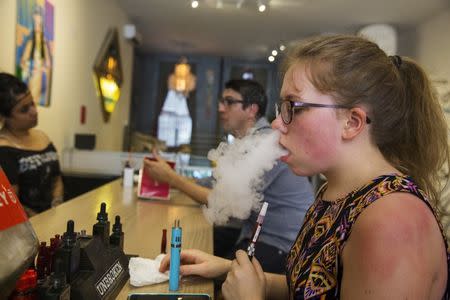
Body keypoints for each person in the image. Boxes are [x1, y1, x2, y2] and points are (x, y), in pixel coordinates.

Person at [159, 35, 450, 299]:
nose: (276, 123)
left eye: (293, 106)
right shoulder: (333, 193)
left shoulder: (392, 221)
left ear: (352, 122)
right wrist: (227, 269)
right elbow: (307, 289)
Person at [144, 79, 314, 274]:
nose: (220, 108)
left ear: (251, 109)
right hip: (254, 234)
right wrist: (171, 174)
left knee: (205, 275)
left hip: (283, 246)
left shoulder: (266, 145)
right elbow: (215, 183)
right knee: (197, 247)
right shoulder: (247, 141)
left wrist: (171, 179)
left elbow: (226, 203)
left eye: (229, 102)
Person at [0, 73, 63, 216]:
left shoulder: (42, 136)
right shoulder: (3, 150)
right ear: (4, 117)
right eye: (24, 110)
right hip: (29, 227)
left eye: (32, 103)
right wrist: (41, 220)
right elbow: (12, 203)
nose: (34, 112)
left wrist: (57, 205)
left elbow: (57, 178)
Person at [19, 4, 52, 106]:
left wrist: (43, 69)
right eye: (35, 23)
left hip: (39, 79)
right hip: (31, 78)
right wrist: (28, 68)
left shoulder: (44, 44)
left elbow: (48, 64)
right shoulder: (30, 43)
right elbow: (22, 62)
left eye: (39, 23)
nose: (37, 26)